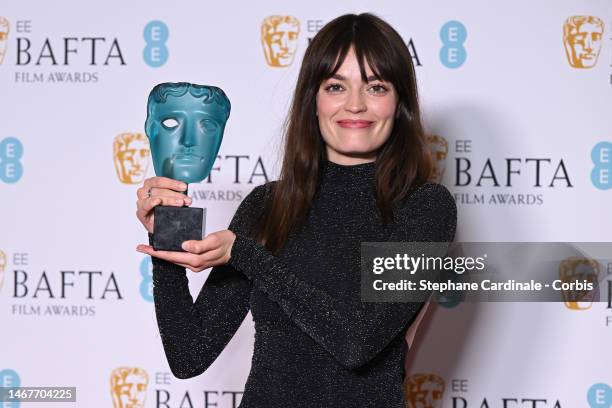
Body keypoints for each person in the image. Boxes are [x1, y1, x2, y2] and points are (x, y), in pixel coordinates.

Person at [135, 12, 457, 407]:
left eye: (376, 87)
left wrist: (247, 254)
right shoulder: (268, 206)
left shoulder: (423, 207)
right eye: (336, 86)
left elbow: (356, 342)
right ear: (314, 100)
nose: (355, 105)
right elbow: (190, 354)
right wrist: (165, 231)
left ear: (399, 102)